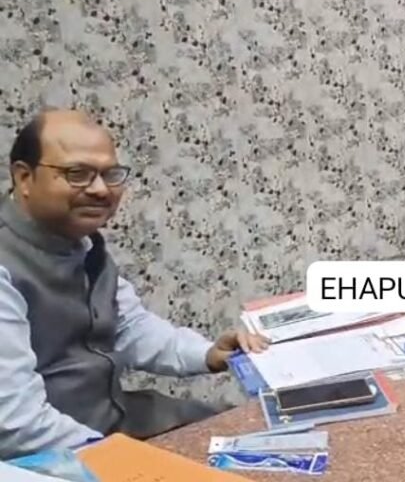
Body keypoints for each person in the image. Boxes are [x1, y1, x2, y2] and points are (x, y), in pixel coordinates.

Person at [0, 110, 268, 459]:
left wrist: (207, 354)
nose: (100, 189)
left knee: (249, 434)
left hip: (113, 421)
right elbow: (17, 424)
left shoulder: (82, 244)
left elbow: (131, 328)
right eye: (77, 174)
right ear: (24, 177)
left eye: (109, 174)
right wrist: (126, 460)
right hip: (48, 452)